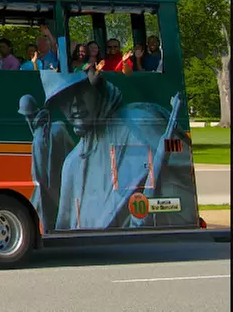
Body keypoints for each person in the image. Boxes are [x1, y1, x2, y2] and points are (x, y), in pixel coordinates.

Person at [24, 67, 195, 230]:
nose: (74, 104)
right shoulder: (72, 165)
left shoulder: (140, 122)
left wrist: (151, 213)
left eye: (80, 91)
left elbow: (186, 188)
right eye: (64, 99)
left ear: (97, 88)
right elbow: (65, 233)